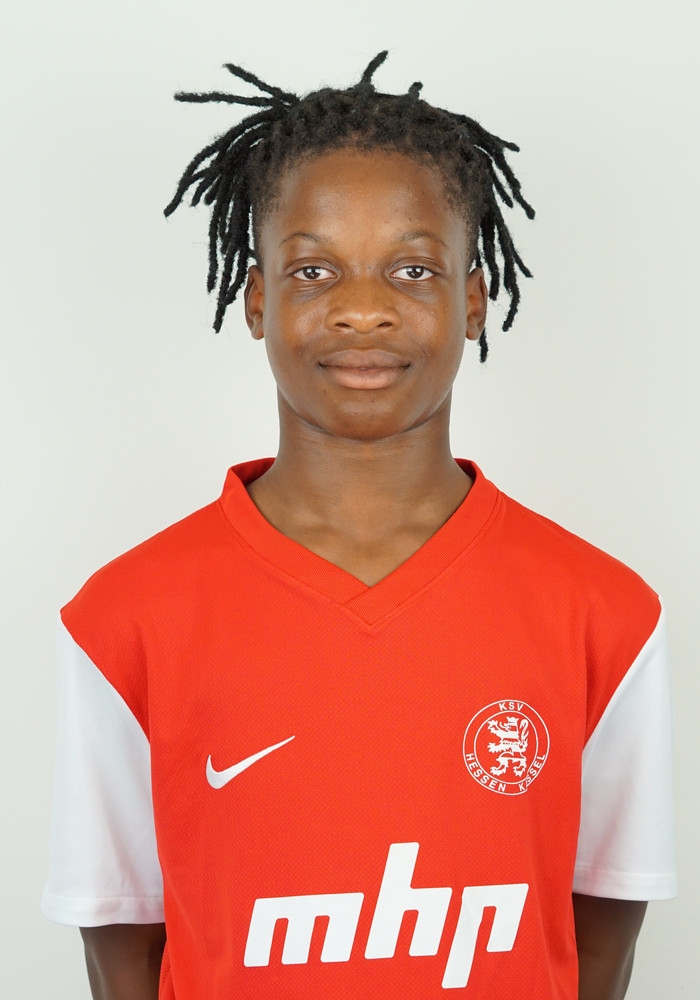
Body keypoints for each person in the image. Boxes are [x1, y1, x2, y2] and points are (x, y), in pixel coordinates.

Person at [42, 51, 676, 1000]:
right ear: (258, 300)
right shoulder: (124, 619)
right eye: (314, 270)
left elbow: (599, 947)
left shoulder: (605, 615)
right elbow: (122, 948)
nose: (364, 310)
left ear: (473, 300)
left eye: (413, 269)